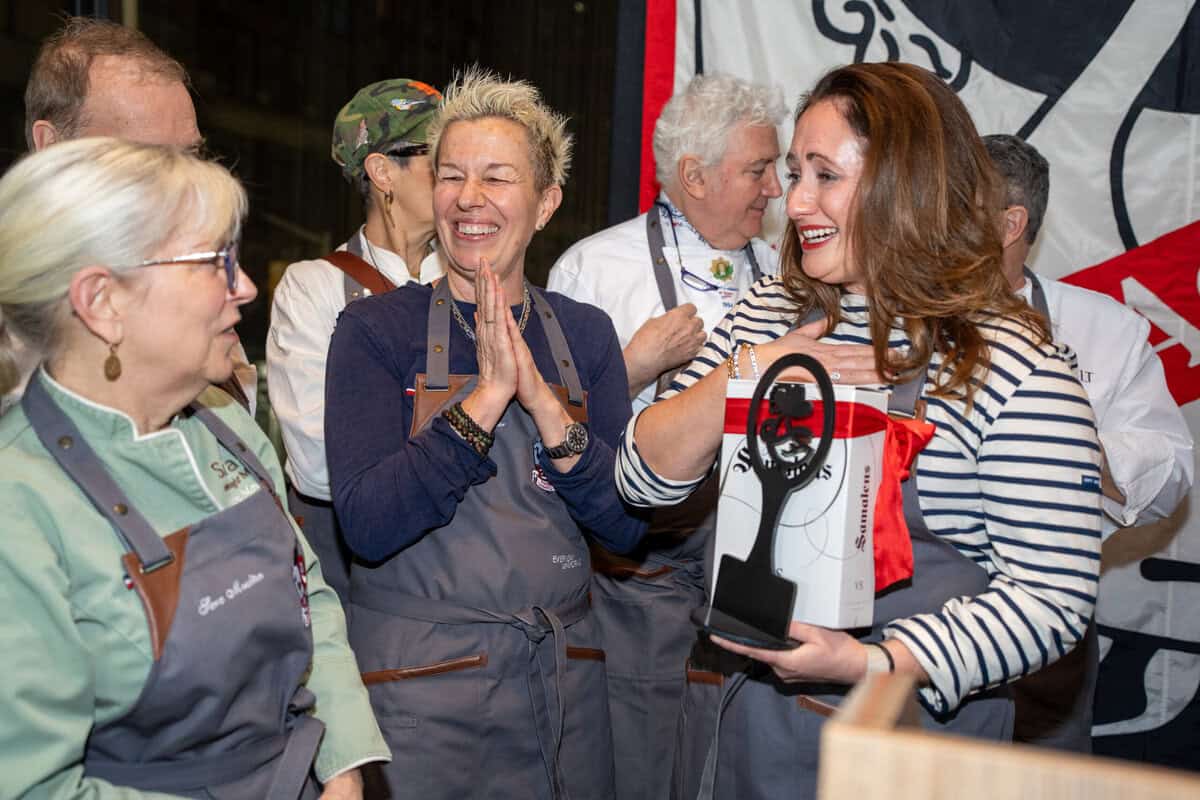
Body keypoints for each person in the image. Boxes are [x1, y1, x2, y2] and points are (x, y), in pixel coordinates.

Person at [615, 62, 1103, 800]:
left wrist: (872, 662)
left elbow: (1052, 599)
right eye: (793, 173)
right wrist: (750, 373)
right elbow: (640, 480)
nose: (794, 202)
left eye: (825, 175)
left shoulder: (1011, 363)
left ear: (908, 184)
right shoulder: (768, 312)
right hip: (738, 728)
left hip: (906, 746)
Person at [0, 138, 387, 797]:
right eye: (215, 262)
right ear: (103, 302)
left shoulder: (227, 425)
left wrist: (344, 763)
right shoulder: (21, 505)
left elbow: (309, 599)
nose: (244, 287)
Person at [324, 69, 648, 799]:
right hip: (419, 693)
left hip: (562, 687)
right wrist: (485, 400)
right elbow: (368, 524)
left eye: (496, 178)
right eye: (451, 175)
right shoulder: (375, 331)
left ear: (546, 203)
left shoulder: (585, 336)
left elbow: (626, 526)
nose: (468, 198)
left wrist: (548, 411)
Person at [546, 72, 785, 800]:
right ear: (695, 176)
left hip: (755, 556)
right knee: (639, 760)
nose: (776, 189)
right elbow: (549, 429)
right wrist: (635, 366)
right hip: (638, 566)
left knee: (737, 749)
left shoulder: (789, 276)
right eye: (758, 170)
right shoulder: (594, 268)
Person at [984, 134, 1194, 752]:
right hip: (911, 615)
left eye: (951, 203)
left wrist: (1076, 443)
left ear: (1010, 225)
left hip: (1047, 629)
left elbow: (1171, 471)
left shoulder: (1104, 327)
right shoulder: (891, 313)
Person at [8, 16, 256, 417]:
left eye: (190, 155)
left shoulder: (194, 299)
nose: (184, 183)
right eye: (147, 159)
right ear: (51, 145)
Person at [268, 78, 444, 602]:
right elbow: (316, 466)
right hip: (356, 579)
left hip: (468, 574)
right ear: (383, 171)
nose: (461, 176)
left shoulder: (480, 283)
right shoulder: (314, 287)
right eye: (440, 157)